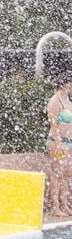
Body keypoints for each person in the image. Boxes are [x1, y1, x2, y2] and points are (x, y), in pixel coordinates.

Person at [46, 73, 72, 216]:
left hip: (69, 141)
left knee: (67, 174)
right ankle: (55, 207)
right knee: (57, 174)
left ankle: (65, 205)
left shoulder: (67, 99)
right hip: (57, 141)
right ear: (67, 83)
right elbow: (53, 123)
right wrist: (59, 142)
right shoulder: (55, 101)